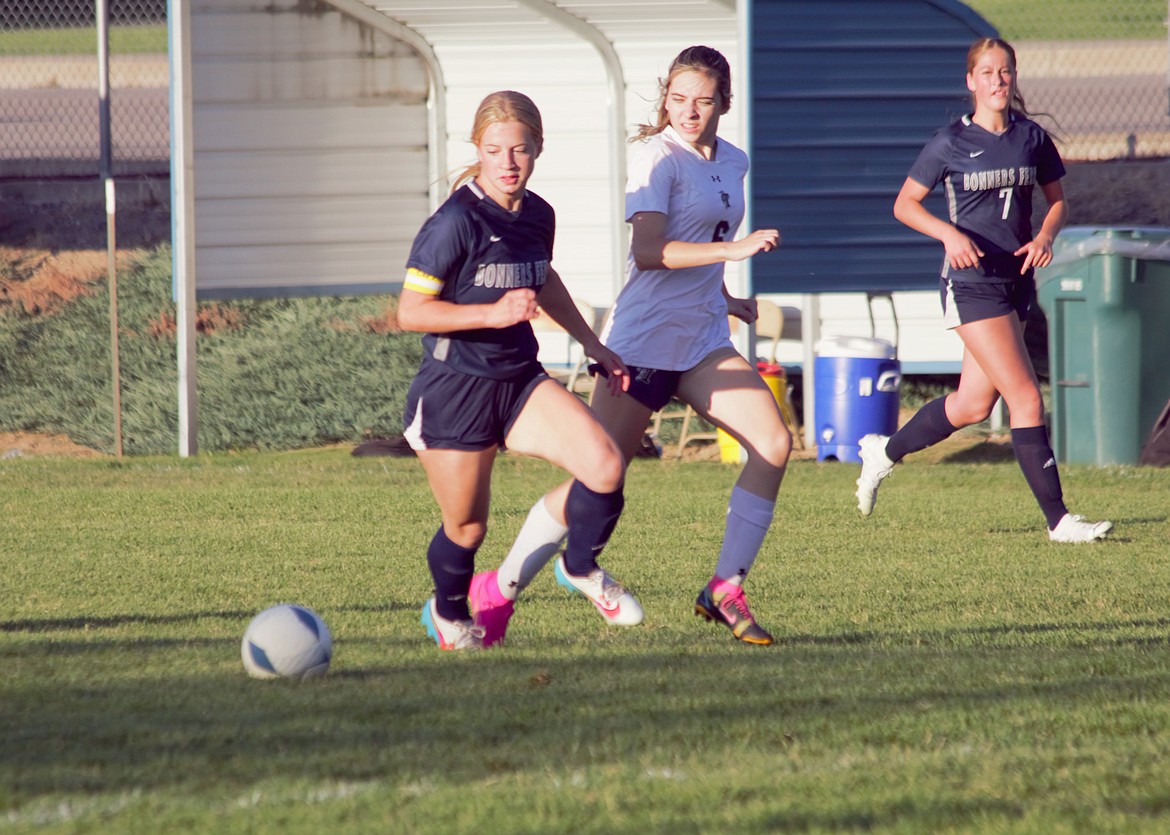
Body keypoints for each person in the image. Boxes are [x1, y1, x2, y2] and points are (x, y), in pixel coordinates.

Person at [468, 46, 789, 647]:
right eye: (678, 98)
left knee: (772, 442)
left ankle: (725, 588)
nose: (689, 111)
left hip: (701, 342)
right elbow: (650, 253)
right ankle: (501, 589)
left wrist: (725, 296)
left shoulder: (733, 161)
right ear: (665, 97)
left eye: (703, 100)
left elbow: (698, 241)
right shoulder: (654, 158)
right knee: (597, 477)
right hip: (640, 344)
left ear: (724, 101)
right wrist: (733, 253)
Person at [397, 90, 643, 651]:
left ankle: (579, 567)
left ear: (537, 150)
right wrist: (491, 311)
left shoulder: (538, 215)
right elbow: (410, 312)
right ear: (478, 151)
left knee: (605, 465)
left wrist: (592, 344)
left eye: (520, 150)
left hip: (519, 379)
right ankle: (450, 613)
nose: (508, 162)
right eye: (495, 149)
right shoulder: (455, 220)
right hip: (455, 387)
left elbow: (542, 278)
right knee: (468, 528)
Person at [855, 37, 1112, 544]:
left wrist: (1044, 236)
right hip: (971, 285)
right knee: (1025, 399)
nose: (998, 80)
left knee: (972, 405)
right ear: (970, 81)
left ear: (1013, 79)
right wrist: (949, 235)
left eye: (1006, 72)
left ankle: (883, 452)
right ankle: (1060, 521)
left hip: (1015, 280)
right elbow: (905, 204)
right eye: (988, 72)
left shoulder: (1032, 138)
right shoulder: (950, 142)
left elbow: (1057, 202)